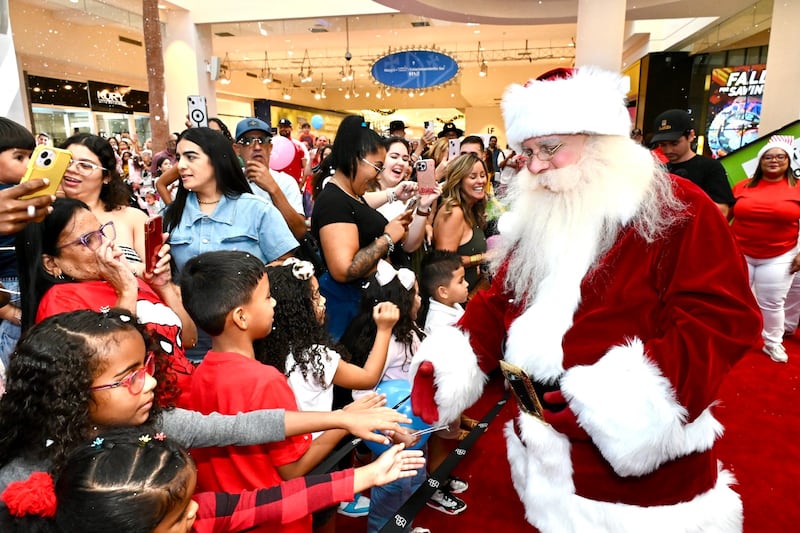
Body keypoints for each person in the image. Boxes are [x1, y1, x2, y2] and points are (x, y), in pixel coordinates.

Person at [410, 67, 761, 532]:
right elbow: (500, 301)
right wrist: (456, 362)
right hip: (542, 453)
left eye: (549, 149)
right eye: (527, 152)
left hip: (637, 477)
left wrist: (614, 404)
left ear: (601, 141)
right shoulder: (542, 210)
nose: (533, 167)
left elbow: (722, 320)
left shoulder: (681, 206)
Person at [0, 308, 410, 494]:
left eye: (146, 368)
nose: (148, 386)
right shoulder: (23, 479)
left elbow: (240, 426)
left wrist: (339, 417)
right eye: (128, 378)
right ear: (68, 394)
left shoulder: (155, 423)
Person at [181, 250, 396, 533]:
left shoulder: (199, 374)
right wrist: (345, 420)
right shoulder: (265, 380)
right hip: (275, 520)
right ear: (241, 317)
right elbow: (292, 470)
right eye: (268, 297)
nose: (274, 305)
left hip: (228, 518)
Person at [0, 426, 425, 533]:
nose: (196, 510)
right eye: (180, 515)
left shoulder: (189, 513)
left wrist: (364, 475)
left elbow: (265, 503)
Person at [256, 258, 399, 521]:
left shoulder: (265, 351)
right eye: (315, 296)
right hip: (316, 455)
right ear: (297, 310)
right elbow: (368, 378)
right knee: (321, 515)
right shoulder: (314, 358)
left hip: (275, 458)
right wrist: (384, 330)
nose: (323, 301)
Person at [16, 197, 197, 405]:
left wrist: (163, 285)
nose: (106, 243)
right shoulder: (61, 300)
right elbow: (109, 366)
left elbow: (189, 339)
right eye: (88, 240)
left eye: (102, 231)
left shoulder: (125, 279)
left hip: (193, 402)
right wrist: (127, 292)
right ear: (52, 263)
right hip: (153, 417)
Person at [341, 261, 466, 528]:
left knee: (412, 482)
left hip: (414, 430)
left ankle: (405, 526)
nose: (420, 299)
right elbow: (363, 393)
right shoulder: (387, 343)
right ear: (402, 303)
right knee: (391, 493)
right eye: (416, 295)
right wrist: (393, 432)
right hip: (395, 432)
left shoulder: (408, 332)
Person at [310, 115, 414, 340]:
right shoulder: (334, 202)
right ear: (355, 159)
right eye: (377, 167)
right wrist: (388, 238)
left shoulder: (350, 195)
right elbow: (344, 269)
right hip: (351, 319)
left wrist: (395, 195)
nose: (378, 175)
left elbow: (363, 206)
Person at [163, 126, 298, 275]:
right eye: (178, 158)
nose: (181, 166)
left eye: (191, 157)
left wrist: (248, 286)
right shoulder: (171, 215)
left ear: (216, 160)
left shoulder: (258, 211)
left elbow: (286, 264)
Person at [730, 135, 800, 363]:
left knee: (772, 303)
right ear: (760, 162)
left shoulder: (797, 188)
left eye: (781, 156)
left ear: (789, 161)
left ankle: (772, 343)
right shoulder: (742, 186)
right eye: (768, 157)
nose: (774, 160)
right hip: (739, 252)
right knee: (735, 299)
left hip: (779, 255)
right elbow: (724, 218)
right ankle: (731, 338)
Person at [57, 133, 151, 275]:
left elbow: (155, 273)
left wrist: (129, 268)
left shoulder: (133, 218)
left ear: (107, 176)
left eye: (85, 165)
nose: (71, 169)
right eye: (68, 161)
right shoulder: (45, 215)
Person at [0, 118, 38, 376]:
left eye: (32, 156)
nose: (28, 165)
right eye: (19, 157)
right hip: (8, 283)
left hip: (28, 276)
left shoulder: (25, 194)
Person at [650, 109, 735, 218]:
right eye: (662, 144)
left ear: (690, 136)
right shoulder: (660, 170)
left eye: (674, 143)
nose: (668, 150)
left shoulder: (710, 167)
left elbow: (722, 211)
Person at [234, 117, 307, 240]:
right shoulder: (230, 180)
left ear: (270, 147)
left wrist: (273, 189)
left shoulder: (286, 182)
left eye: (262, 140)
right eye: (248, 141)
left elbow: (299, 231)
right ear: (237, 149)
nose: (257, 147)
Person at [432, 153, 489, 295]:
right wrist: (483, 258)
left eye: (483, 175)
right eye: (473, 176)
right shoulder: (453, 212)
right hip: (453, 301)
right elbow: (445, 262)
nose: (480, 181)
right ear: (459, 180)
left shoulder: (470, 209)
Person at [420, 250, 468, 335]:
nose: (467, 284)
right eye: (460, 281)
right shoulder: (439, 326)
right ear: (443, 292)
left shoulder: (452, 303)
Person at [275, 118, 308, 188]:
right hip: (276, 185)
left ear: (291, 128)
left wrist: (301, 185)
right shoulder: (273, 145)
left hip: (293, 186)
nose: (283, 129)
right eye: (281, 127)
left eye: (286, 127)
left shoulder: (299, 146)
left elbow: (305, 168)